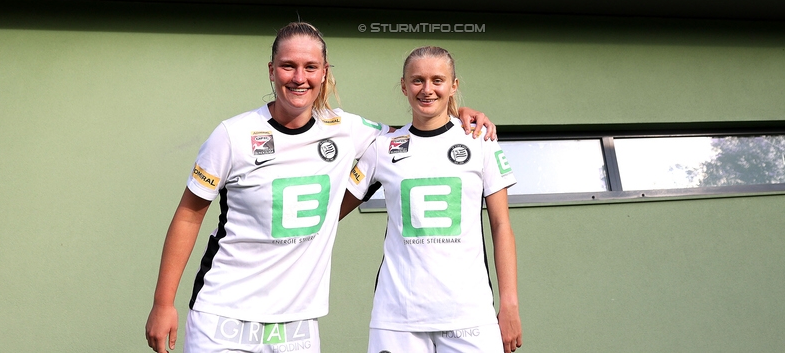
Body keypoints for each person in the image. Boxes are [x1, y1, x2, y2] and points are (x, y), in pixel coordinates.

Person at [144, 23, 497, 353]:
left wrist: (459, 114)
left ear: (324, 72)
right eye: (288, 66)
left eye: (310, 67)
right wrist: (163, 303)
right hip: (221, 314)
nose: (299, 78)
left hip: (298, 323)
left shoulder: (348, 129)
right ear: (271, 71)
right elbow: (189, 216)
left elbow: (415, 134)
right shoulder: (232, 136)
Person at [343, 46, 522, 353]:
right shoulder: (383, 148)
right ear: (403, 86)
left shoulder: (480, 142)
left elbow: (501, 225)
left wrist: (510, 305)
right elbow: (330, 210)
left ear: (454, 86)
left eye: (437, 80)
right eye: (417, 81)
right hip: (397, 318)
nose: (427, 89)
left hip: (470, 315)